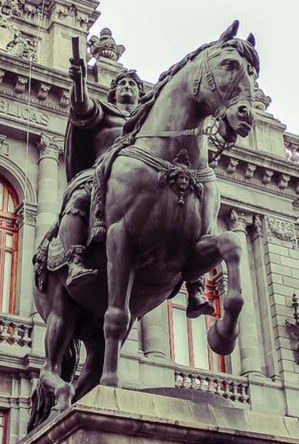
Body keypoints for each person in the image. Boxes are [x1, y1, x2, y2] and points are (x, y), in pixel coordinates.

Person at [58, 58, 214, 318]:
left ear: (140, 93)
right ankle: (75, 261)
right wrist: (78, 81)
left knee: (193, 209)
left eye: (132, 84)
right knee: (78, 198)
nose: (127, 87)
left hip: (143, 188)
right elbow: (81, 108)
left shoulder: (154, 121)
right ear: (113, 92)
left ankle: (195, 285)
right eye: (122, 84)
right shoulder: (105, 113)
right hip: (101, 176)